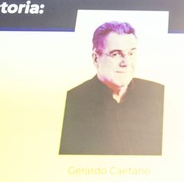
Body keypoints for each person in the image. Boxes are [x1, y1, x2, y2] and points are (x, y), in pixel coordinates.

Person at [59, 21, 164, 155]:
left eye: (131, 54)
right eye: (115, 54)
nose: (126, 63)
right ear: (96, 59)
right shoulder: (71, 103)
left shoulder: (158, 94)